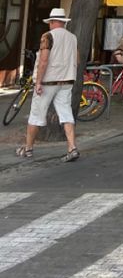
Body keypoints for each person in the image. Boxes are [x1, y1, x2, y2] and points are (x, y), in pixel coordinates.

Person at [15, 8, 80, 163]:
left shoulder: (47, 36)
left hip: (48, 81)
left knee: (36, 114)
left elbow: (44, 60)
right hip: (67, 81)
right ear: (63, 22)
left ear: (52, 22)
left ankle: (28, 148)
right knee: (66, 114)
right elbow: (77, 60)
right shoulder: (72, 38)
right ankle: (72, 147)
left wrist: (38, 82)